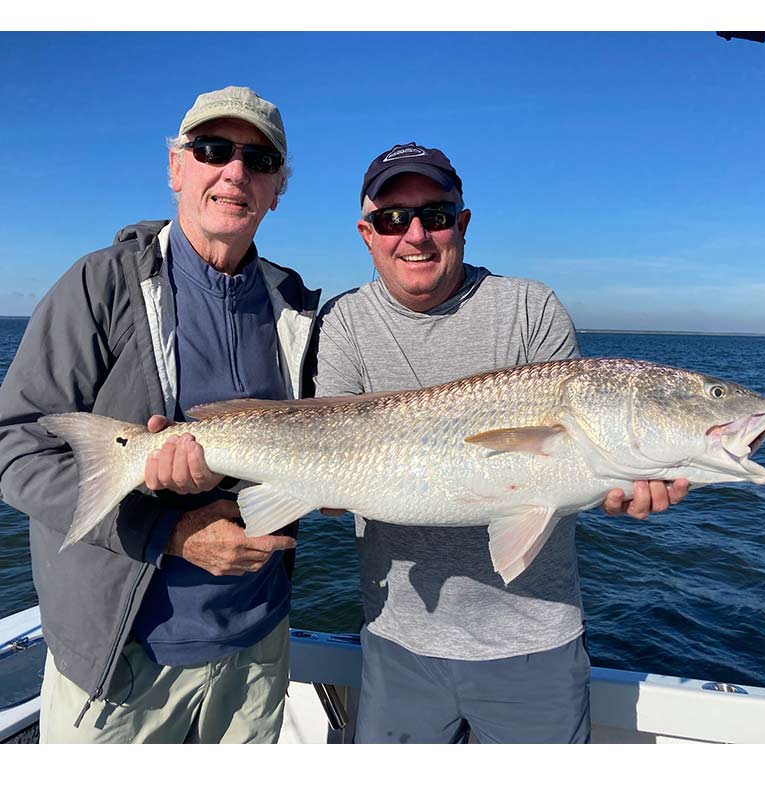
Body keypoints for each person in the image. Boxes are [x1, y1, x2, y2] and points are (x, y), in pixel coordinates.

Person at [308, 142, 689, 743]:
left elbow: (563, 471)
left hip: (536, 644)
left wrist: (615, 488)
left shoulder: (529, 308)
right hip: (396, 642)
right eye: (392, 219)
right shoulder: (344, 322)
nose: (415, 235)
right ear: (367, 233)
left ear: (461, 223)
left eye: (435, 215)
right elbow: (330, 485)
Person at [0, 86, 319, 743]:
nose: (235, 171)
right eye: (213, 150)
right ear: (177, 166)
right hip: (126, 661)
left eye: (259, 160)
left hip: (257, 647)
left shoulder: (298, 308)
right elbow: (13, 446)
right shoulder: (100, 284)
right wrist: (167, 534)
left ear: (277, 187)